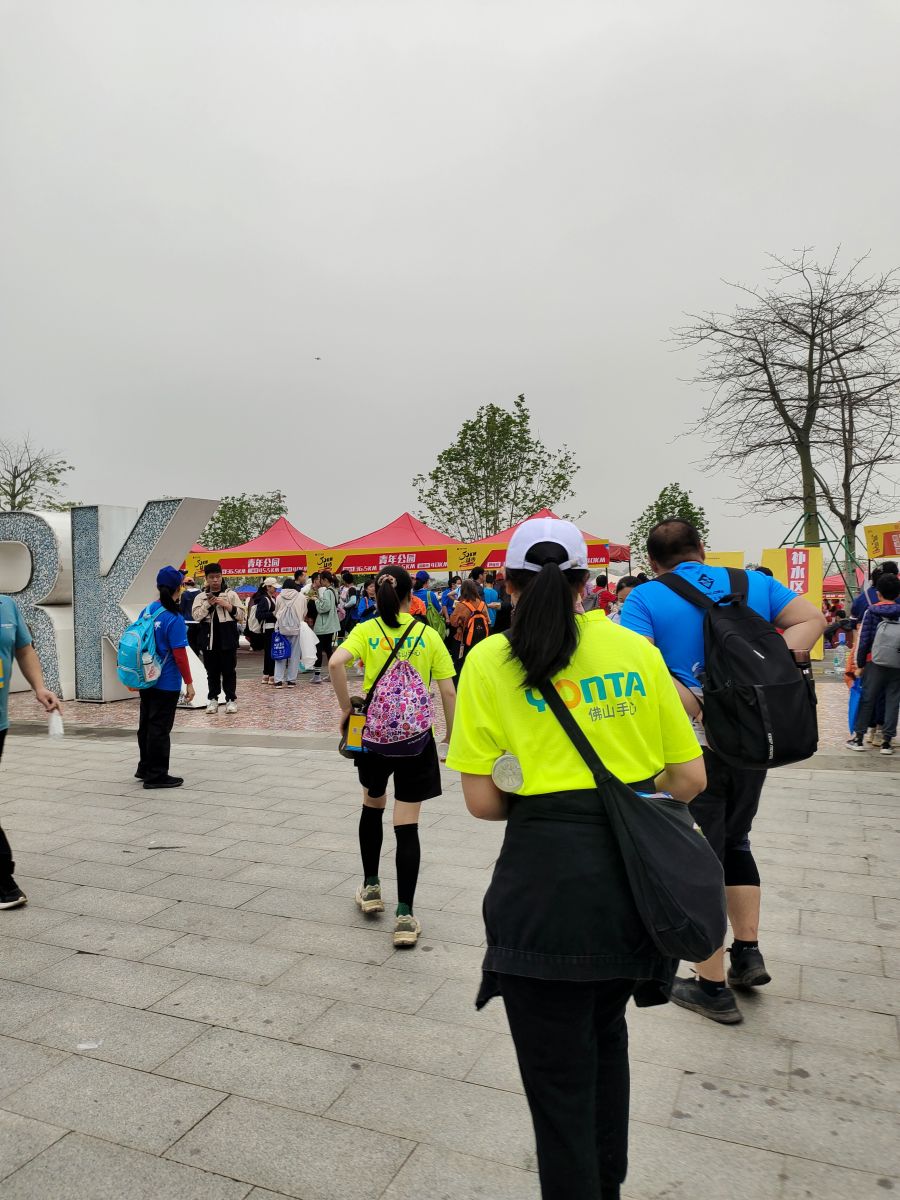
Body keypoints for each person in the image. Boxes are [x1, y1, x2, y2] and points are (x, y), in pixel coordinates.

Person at [446, 517, 706, 1200]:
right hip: (630, 892)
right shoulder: (635, 651)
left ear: (507, 584)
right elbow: (689, 779)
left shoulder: (488, 661)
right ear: (587, 583)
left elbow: (482, 802)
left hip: (541, 895)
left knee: (557, 1089)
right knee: (606, 1040)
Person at [620, 519, 826, 1024]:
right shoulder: (751, 582)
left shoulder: (645, 598)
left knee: (699, 855)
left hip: (692, 746)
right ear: (702, 549)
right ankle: (747, 952)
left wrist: (696, 702)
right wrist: (766, 665)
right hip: (753, 738)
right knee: (737, 839)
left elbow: (639, 667)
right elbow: (811, 619)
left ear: (652, 562)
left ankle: (711, 985)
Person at [330, 565, 457, 947]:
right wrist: (450, 737)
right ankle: (405, 915)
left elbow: (335, 663)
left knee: (372, 804)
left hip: (374, 736)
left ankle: (371, 888)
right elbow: (448, 692)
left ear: (377, 593)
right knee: (407, 823)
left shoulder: (367, 629)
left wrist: (346, 708)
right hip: (416, 739)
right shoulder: (427, 634)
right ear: (410, 595)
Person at [0, 593, 64, 909]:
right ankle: (4, 881)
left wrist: (39, 688)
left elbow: (23, 649)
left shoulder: (7, 606)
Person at [136, 567, 196, 788]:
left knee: (146, 725)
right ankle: (156, 775)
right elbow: (180, 655)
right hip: (166, 681)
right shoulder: (174, 618)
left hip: (146, 678)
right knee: (160, 728)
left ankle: (144, 767)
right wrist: (189, 683)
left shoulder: (148, 611)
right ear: (178, 588)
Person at [847, 571, 900, 756]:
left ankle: (859, 739)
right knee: (893, 700)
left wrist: (860, 664)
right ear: (898, 594)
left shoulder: (871, 611)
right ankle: (887, 742)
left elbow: (864, 640)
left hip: (873, 661)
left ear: (878, 593)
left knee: (868, 698)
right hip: (897, 662)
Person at [192, 562, 245, 714]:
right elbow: (196, 616)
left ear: (222, 577)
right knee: (212, 672)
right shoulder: (200, 597)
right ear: (206, 579)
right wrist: (208, 605)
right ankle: (213, 699)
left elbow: (241, 615)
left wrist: (227, 605)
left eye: (218, 576)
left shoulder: (231, 594)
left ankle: (231, 700)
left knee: (229, 671)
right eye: (212, 577)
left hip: (228, 638)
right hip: (208, 640)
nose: (215, 580)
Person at [449, 579, 490, 677]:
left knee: (461, 664)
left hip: (463, 640)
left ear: (463, 590)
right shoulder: (482, 604)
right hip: (480, 639)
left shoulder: (461, 605)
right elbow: (488, 620)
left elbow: (453, 622)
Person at [273, 577, 309, 688]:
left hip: (281, 629)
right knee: (295, 654)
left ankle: (278, 680)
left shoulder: (279, 597)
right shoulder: (301, 597)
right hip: (296, 629)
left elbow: (276, 612)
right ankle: (291, 680)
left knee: (280, 653)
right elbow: (304, 612)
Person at [311, 571, 340, 684]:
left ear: (325, 580)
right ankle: (332, 674)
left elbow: (324, 608)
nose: (320, 581)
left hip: (323, 625)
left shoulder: (327, 591)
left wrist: (316, 601)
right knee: (328, 649)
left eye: (320, 579)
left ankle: (317, 675)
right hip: (331, 624)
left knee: (318, 649)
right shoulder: (334, 590)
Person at [254, 577, 278, 683]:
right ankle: (270, 674)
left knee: (269, 651)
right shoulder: (265, 599)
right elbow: (259, 615)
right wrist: (272, 614)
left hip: (272, 628)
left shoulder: (272, 598)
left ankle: (267, 674)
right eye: (274, 587)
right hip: (268, 628)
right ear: (268, 587)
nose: (275, 589)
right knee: (270, 652)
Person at [180, 576, 204, 658]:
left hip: (188, 622)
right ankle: (198, 653)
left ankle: (194, 657)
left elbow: (182, 608)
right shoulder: (200, 593)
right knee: (198, 640)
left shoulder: (184, 594)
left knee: (191, 642)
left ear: (184, 584)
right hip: (199, 620)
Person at [339, 571, 359, 638]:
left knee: (350, 632)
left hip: (351, 614)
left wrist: (344, 606)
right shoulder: (355, 588)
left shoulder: (351, 589)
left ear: (345, 581)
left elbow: (353, 601)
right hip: (354, 614)